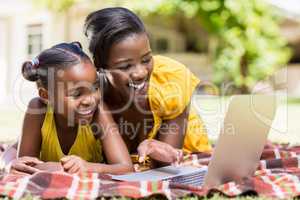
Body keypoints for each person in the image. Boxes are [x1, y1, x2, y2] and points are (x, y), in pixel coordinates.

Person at [84, 7, 212, 167]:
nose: (140, 73)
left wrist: (154, 147)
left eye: (146, 60)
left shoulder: (169, 79)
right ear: (100, 65)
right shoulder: (89, 95)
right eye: (125, 66)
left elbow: (167, 163)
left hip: (186, 155)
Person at [5, 42, 133, 175]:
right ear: (46, 95)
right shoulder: (37, 110)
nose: (90, 100)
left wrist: (86, 167)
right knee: (10, 152)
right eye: (76, 94)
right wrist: (12, 163)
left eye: (95, 87)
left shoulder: (99, 112)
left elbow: (126, 168)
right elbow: (25, 167)